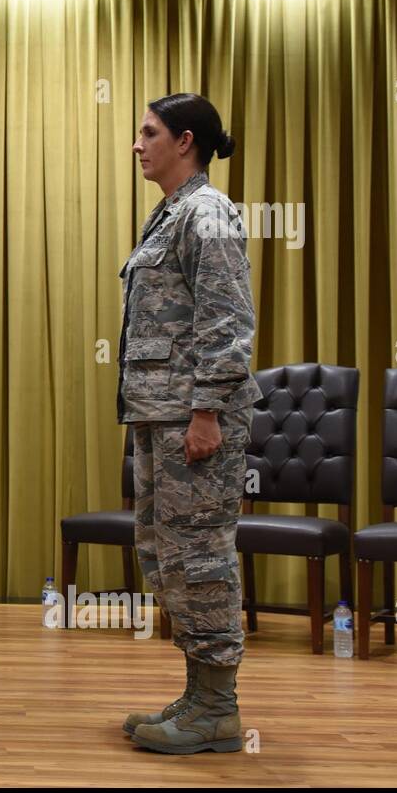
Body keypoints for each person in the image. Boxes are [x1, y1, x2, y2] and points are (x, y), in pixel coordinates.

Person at [118, 93, 261, 755]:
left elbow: (227, 319)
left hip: (193, 419)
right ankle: (198, 689)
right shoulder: (169, 214)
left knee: (201, 557)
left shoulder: (208, 212)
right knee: (169, 555)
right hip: (160, 415)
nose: (138, 144)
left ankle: (219, 708)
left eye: (149, 133)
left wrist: (206, 409)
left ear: (185, 140)